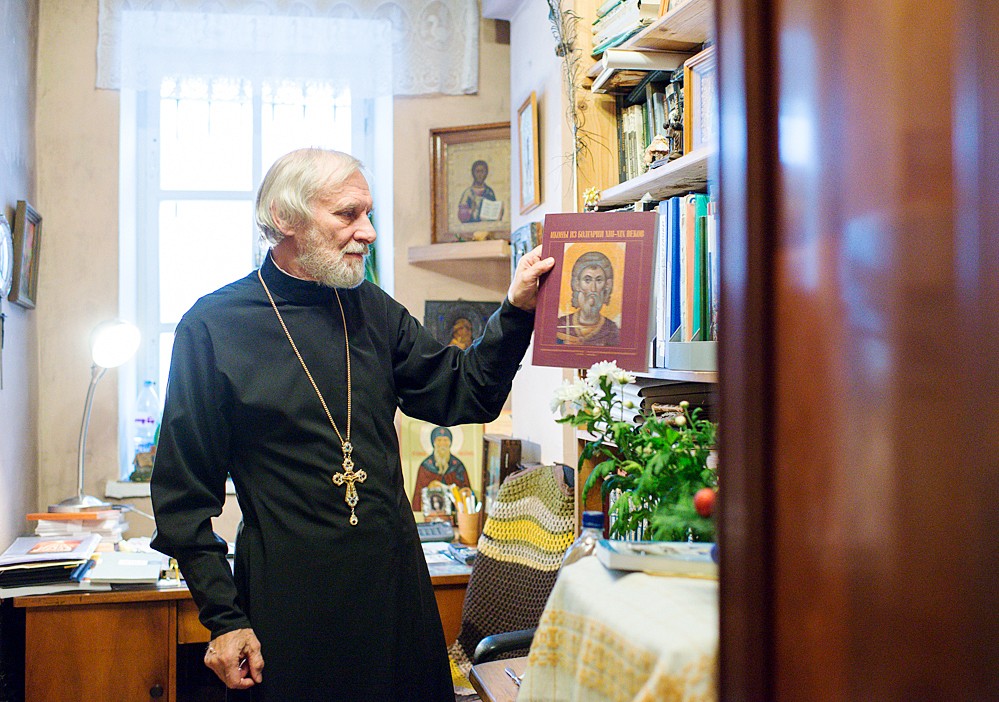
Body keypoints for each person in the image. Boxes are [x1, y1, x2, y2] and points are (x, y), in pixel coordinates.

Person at [150, 147, 555, 701]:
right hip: (288, 609)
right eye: (347, 214)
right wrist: (224, 618)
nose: (367, 232)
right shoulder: (213, 327)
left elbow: (466, 393)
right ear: (285, 217)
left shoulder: (371, 309)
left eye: (368, 214)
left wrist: (516, 310)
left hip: (394, 598)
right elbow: (182, 501)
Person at [555, 250, 621, 346]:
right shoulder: (561, 325)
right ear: (577, 284)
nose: (593, 288)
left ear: (607, 285)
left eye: (599, 280)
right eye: (587, 280)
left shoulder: (612, 331)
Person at [410, 426, 471, 511]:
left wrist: (459, 491)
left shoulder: (458, 466)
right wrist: (431, 487)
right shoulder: (425, 466)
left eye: (445, 440)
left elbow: (467, 492)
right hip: (431, 513)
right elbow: (418, 496)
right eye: (439, 440)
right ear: (433, 443)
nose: (442, 444)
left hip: (455, 513)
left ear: (450, 443)